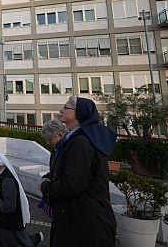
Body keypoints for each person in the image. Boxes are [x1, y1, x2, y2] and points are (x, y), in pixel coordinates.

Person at [40, 96, 117, 247]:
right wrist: (49, 177)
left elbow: (71, 184)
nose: (61, 110)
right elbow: (67, 170)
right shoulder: (76, 140)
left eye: (66, 108)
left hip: (84, 225)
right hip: (80, 221)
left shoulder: (81, 142)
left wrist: (45, 187)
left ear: (79, 113)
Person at [0, 151, 42, 247]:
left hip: (9, 221)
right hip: (3, 219)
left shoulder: (7, 179)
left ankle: (36, 239)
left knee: (15, 243)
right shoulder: (1, 174)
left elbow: (10, 206)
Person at [38, 120, 68, 217]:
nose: (47, 142)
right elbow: (55, 170)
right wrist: (46, 177)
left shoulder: (68, 148)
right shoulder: (56, 149)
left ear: (59, 135)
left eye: (50, 139)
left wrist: (45, 186)